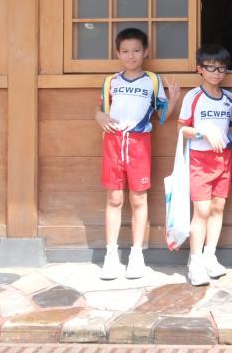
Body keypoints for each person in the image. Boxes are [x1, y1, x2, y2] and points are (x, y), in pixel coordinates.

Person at [93, 27, 177, 280]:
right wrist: (99, 116)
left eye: (136, 50)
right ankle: (111, 254)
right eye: (125, 51)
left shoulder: (152, 81)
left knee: (139, 199)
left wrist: (173, 100)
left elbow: (162, 116)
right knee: (114, 198)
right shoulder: (111, 81)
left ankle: (136, 254)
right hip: (113, 143)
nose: (131, 56)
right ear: (118, 53)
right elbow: (100, 109)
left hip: (140, 144)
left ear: (145, 52)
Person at [178, 44, 232, 286]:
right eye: (211, 68)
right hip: (199, 160)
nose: (216, 73)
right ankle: (194, 262)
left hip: (223, 159)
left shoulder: (228, 98)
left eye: (221, 68)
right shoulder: (193, 96)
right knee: (201, 211)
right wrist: (203, 132)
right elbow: (182, 129)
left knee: (217, 208)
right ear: (199, 69)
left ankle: (209, 256)